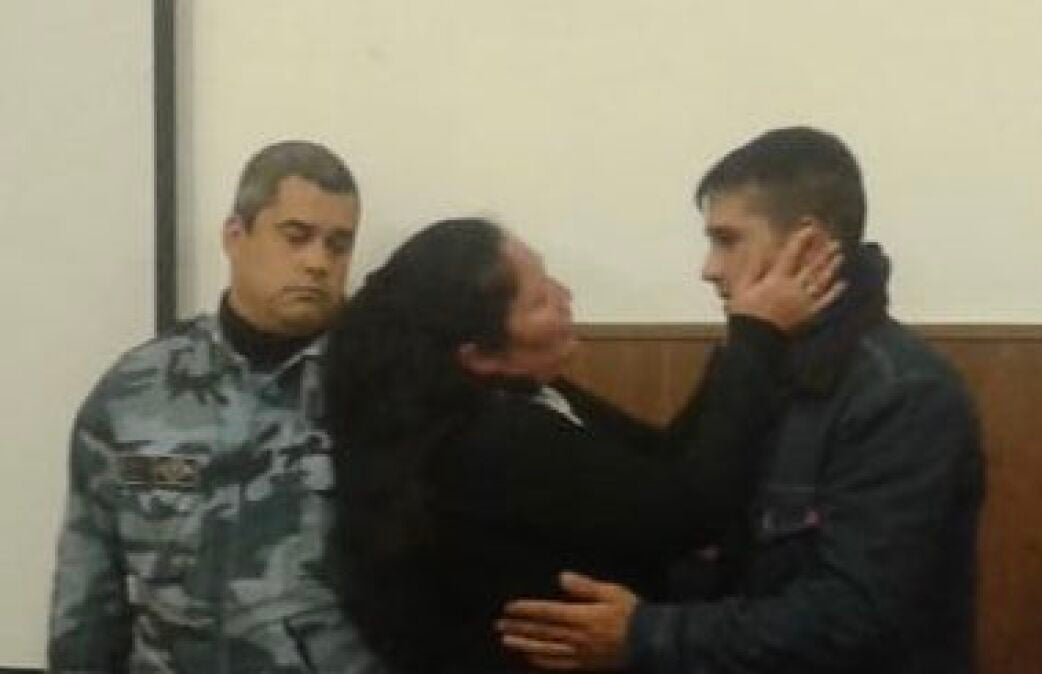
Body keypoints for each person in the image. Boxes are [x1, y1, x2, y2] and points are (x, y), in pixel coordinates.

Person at [499, 126, 986, 674]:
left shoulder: (901, 394)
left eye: (727, 241)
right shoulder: (762, 364)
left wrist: (646, 634)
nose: (708, 269)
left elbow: (853, 616)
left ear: (807, 245)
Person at [321, 216, 843, 673]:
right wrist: (757, 339)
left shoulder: (524, 391)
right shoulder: (489, 439)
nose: (565, 295)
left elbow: (659, 457)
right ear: (480, 356)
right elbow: (689, 512)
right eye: (540, 300)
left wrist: (740, 340)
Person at [47, 141, 385, 672]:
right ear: (235, 236)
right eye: (296, 236)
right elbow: (88, 601)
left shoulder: (387, 390)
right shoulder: (134, 395)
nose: (318, 262)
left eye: (338, 245)